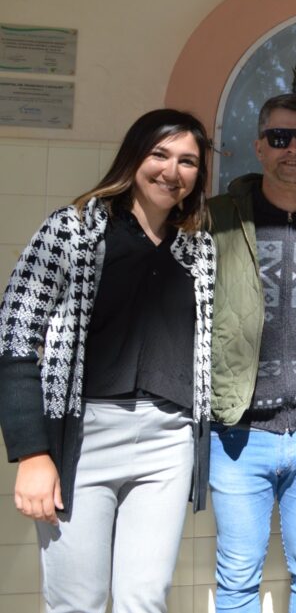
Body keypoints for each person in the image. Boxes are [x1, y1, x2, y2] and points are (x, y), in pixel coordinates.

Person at [0, 109, 215, 612]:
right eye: (159, 154)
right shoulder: (71, 228)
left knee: (144, 600)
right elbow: (13, 337)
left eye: (188, 161)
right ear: (133, 157)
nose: (172, 171)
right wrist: (32, 453)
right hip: (84, 437)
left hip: (168, 441)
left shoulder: (199, 248)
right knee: (79, 602)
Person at [207, 93, 296, 612]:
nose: (294, 148)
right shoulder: (216, 220)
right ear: (259, 147)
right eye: (280, 138)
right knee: (238, 574)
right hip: (238, 432)